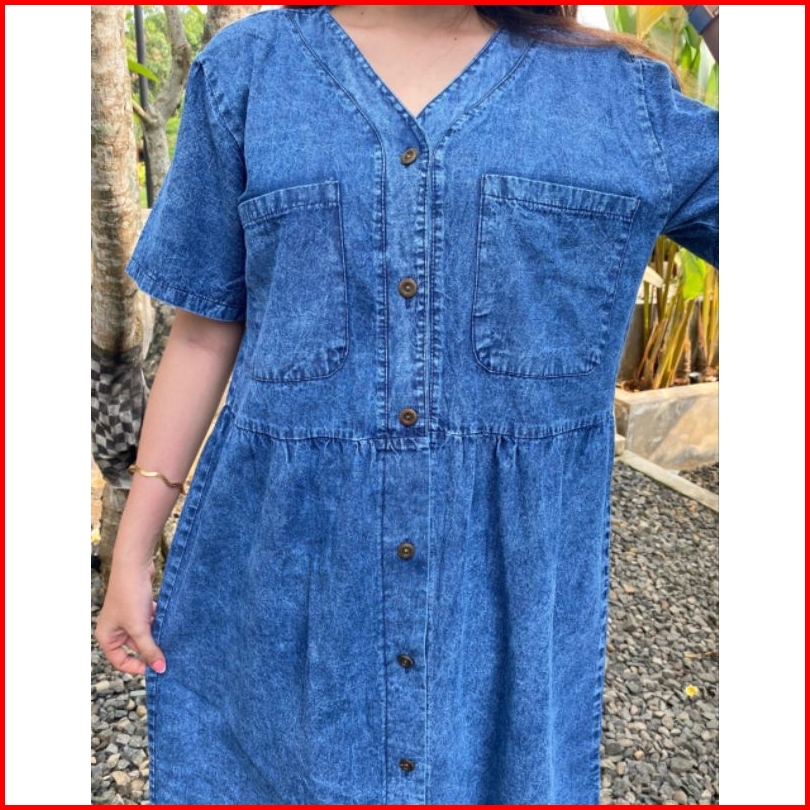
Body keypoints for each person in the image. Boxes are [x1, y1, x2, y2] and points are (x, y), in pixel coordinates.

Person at [96, 5, 718, 804]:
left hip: (502, 624)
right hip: (284, 586)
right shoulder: (249, 69)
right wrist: (132, 550)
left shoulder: (618, 97)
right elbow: (202, 333)